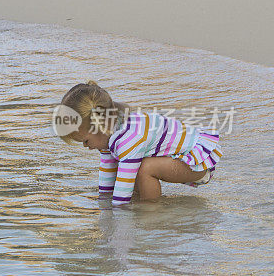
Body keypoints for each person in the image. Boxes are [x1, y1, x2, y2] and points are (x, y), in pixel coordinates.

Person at [55, 81, 222, 205]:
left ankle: (151, 212)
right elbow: (108, 173)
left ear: (100, 125)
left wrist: (118, 215)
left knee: (144, 169)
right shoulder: (109, 132)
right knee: (129, 170)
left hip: (198, 163)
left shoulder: (129, 138)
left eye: (85, 141)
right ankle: (140, 201)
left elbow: (123, 188)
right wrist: (103, 200)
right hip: (179, 159)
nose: (85, 146)